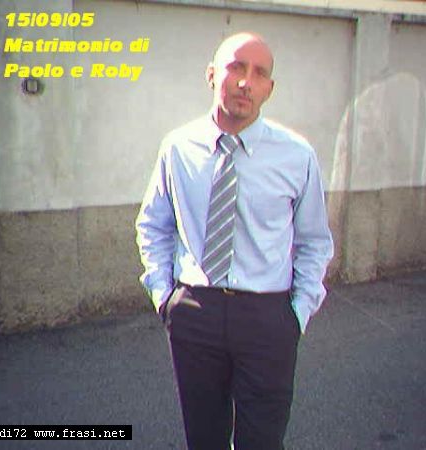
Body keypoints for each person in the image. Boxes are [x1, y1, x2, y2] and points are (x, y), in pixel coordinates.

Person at [135, 32, 333, 450]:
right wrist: (164, 295)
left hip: (267, 316)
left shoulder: (296, 155)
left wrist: (298, 313)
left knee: (262, 440)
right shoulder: (178, 148)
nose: (246, 82)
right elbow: (154, 224)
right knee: (203, 438)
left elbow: (314, 240)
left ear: (269, 89)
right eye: (236, 68)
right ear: (211, 75)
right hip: (196, 311)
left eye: (259, 73)